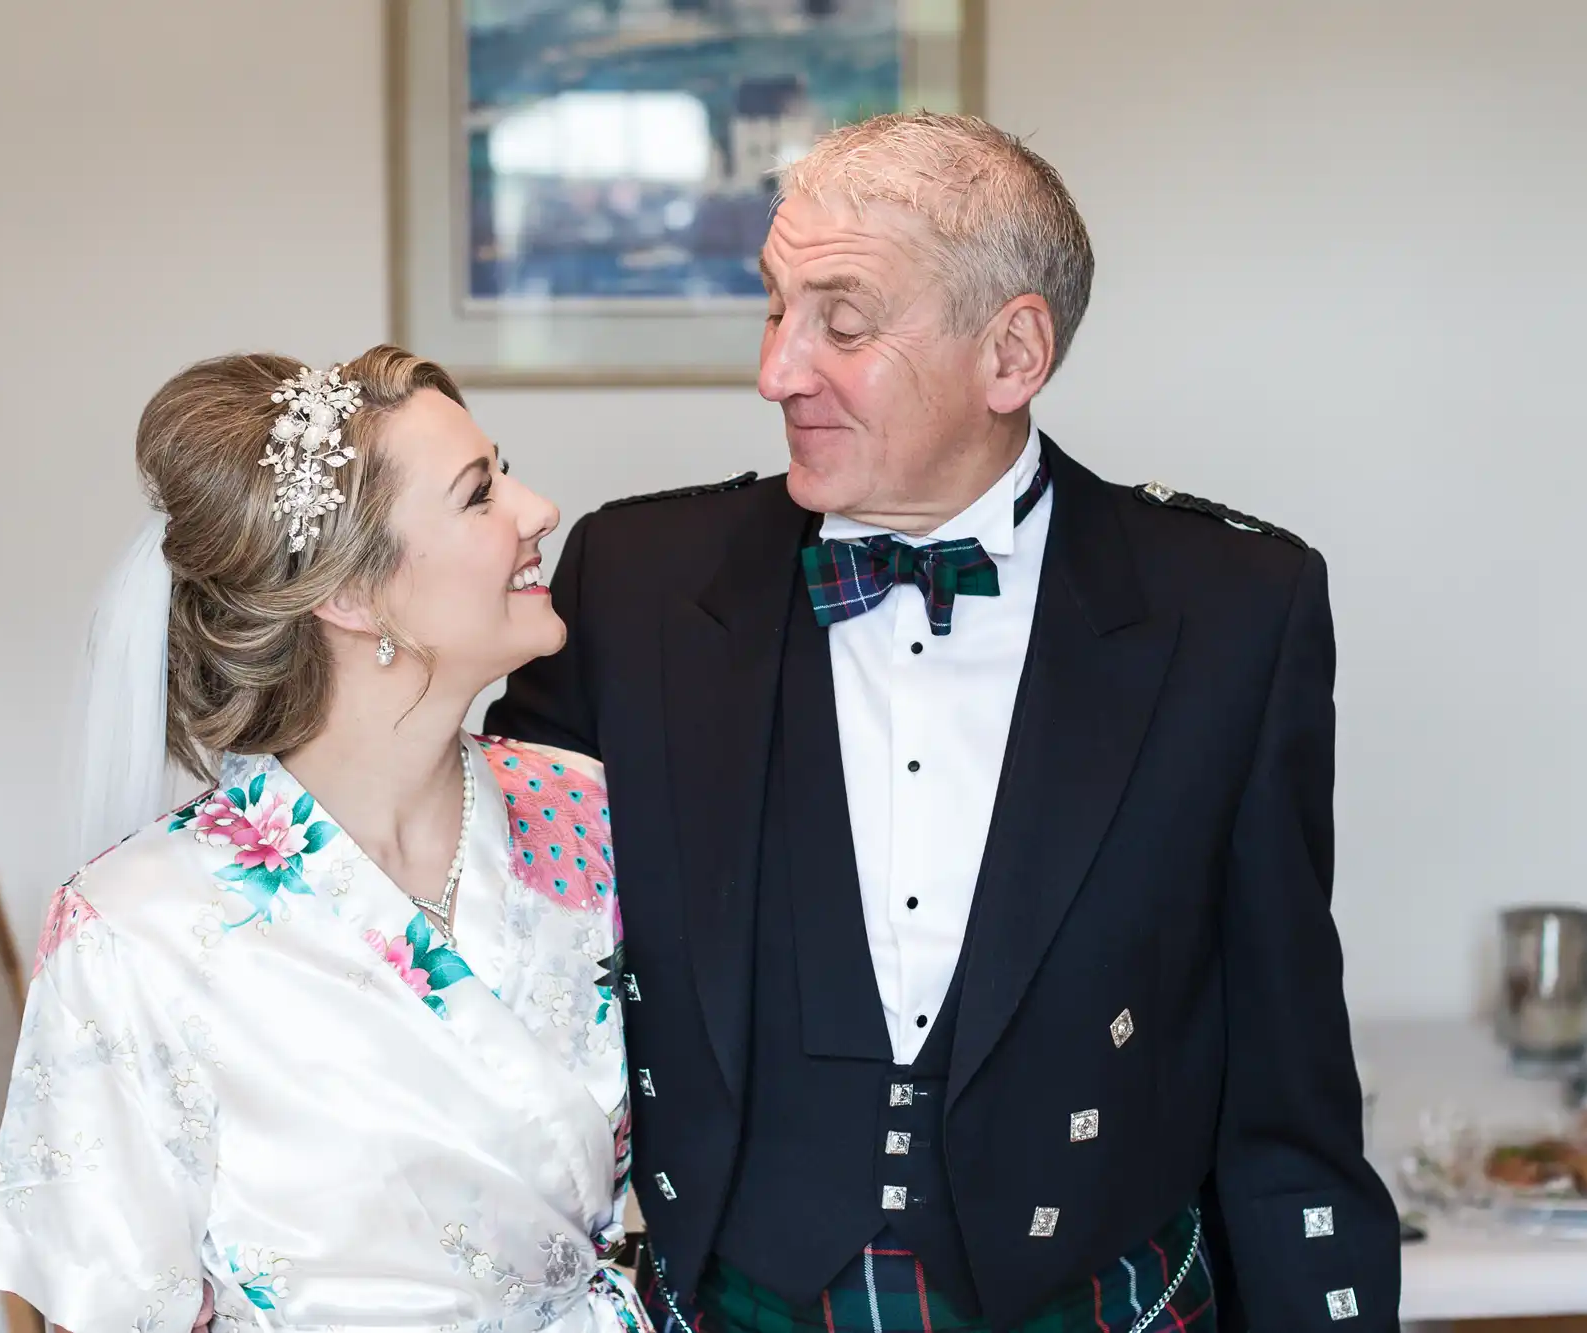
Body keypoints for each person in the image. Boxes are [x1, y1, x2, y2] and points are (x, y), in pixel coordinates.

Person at [486, 112, 1399, 1332]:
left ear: (1011, 353)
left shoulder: (1232, 608)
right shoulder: (637, 581)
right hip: (733, 1302)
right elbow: (483, 939)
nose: (776, 370)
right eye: (774, 307)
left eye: (843, 322)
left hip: (1104, 1303)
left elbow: (1281, 1068)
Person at [0, 346, 647, 1333]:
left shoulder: (588, 815)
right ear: (352, 595)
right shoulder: (137, 931)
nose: (537, 510)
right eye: (477, 493)